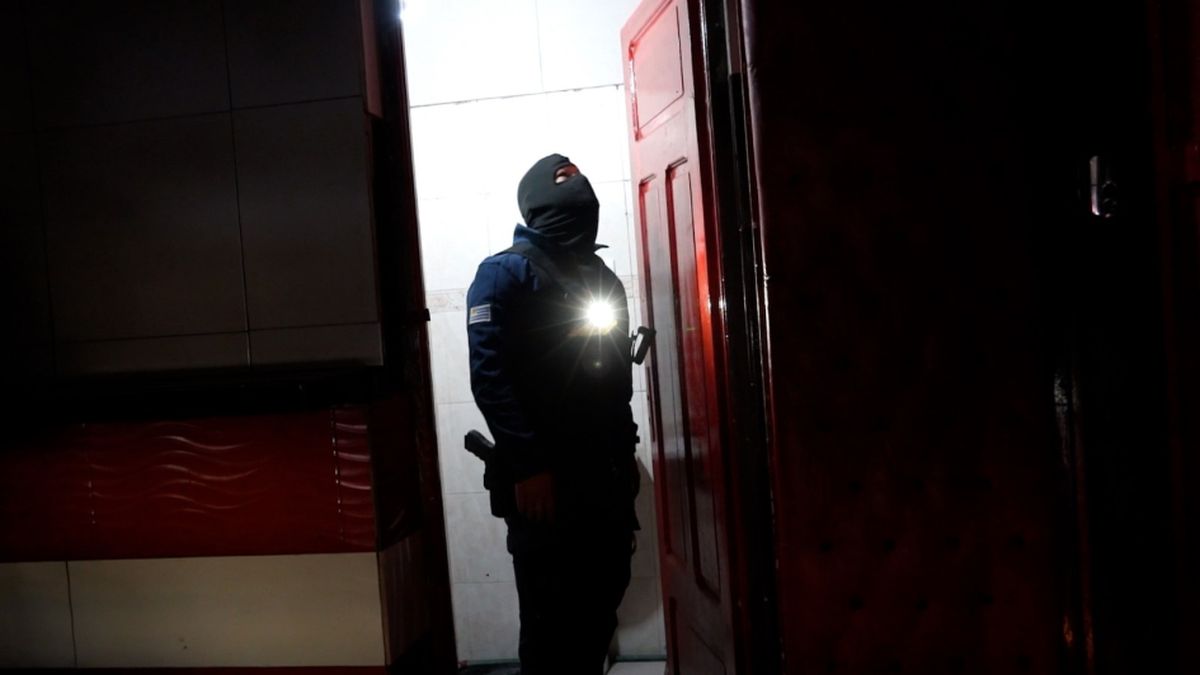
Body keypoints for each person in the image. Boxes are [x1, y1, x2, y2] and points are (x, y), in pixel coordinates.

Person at [466, 153, 640, 674]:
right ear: (537, 196)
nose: (580, 184)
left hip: (605, 481)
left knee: (599, 610)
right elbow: (490, 379)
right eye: (566, 176)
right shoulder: (504, 273)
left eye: (582, 176)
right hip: (545, 484)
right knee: (549, 626)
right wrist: (528, 466)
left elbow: (615, 383)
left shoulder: (602, 278)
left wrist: (625, 461)